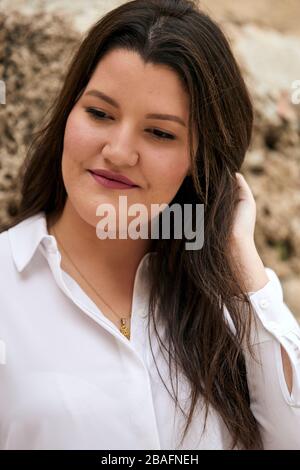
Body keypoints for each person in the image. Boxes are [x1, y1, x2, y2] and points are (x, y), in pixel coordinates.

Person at [0, 0, 299, 451]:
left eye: (160, 133)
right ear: (67, 115)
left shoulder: (229, 305)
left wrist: (245, 269)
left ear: (200, 162)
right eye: (99, 113)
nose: (119, 151)